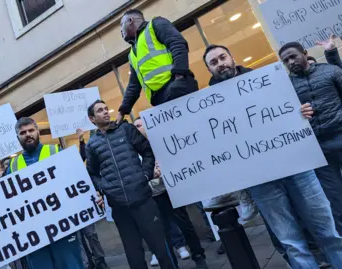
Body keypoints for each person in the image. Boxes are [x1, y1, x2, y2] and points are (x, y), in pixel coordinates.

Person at [204, 44, 342, 268]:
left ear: (232, 57)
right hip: (261, 180)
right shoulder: (207, 106)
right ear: (209, 70)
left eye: (222, 57)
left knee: (328, 232)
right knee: (292, 242)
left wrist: (300, 112)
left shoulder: (269, 80)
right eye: (214, 62)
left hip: (298, 167)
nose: (220, 64)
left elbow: (291, 106)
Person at [85, 100, 177, 269]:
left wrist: (145, 175)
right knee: (134, 255)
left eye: (106, 109)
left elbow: (147, 152)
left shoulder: (126, 130)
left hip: (143, 200)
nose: (106, 112)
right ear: (92, 118)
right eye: (100, 111)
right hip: (120, 207)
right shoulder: (91, 144)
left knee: (161, 248)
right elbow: (92, 173)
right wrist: (104, 188)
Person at [279, 41, 342, 236]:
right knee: (336, 202)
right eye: (286, 60)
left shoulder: (330, 72)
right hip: (319, 150)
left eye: (293, 56)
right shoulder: (285, 88)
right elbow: (283, 118)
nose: (290, 62)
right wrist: (296, 114)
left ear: (304, 54)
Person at [5, 117, 84, 269]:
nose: (28, 134)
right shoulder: (13, 166)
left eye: (31, 130)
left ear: (37, 131)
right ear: (18, 137)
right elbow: (9, 202)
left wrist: (92, 199)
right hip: (34, 234)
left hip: (63, 225)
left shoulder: (55, 151)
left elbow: (75, 180)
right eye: (23, 132)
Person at [133, 117, 207, 268]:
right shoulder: (134, 151)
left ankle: (198, 255)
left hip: (171, 191)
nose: (137, 129)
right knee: (162, 232)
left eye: (139, 125)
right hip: (153, 196)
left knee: (185, 224)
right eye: (134, 127)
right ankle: (172, 264)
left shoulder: (161, 143)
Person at [116, 9, 198, 124]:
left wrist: (179, 78)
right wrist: (122, 111)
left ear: (130, 20)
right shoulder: (132, 54)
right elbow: (134, 85)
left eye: (121, 25)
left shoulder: (155, 25)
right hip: (159, 101)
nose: (120, 31)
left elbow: (178, 44)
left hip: (176, 88)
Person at [76, 128, 110, 269]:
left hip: (81, 205)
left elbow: (81, 158)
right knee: (78, 240)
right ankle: (87, 263)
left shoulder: (74, 165)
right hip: (68, 211)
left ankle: (100, 259)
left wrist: (81, 141)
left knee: (91, 234)